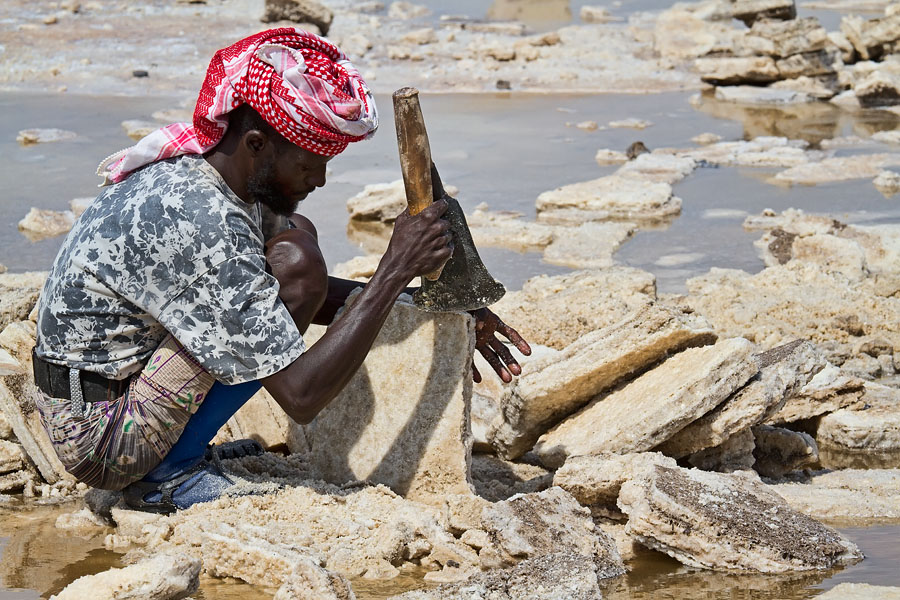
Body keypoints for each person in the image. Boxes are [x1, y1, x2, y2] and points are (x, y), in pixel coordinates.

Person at [31, 28, 530, 513]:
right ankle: (167, 475)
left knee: (296, 236)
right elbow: (302, 395)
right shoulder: (201, 218)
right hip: (100, 436)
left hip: (114, 389)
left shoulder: (210, 175)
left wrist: (432, 309)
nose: (321, 178)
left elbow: (289, 298)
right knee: (296, 262)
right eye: (310, 163)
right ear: (255, 144)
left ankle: (179, 448)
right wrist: (395, 268)